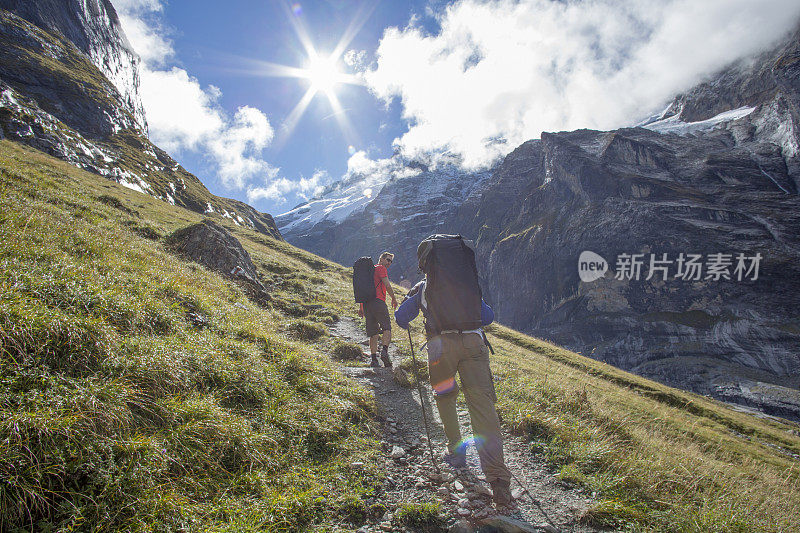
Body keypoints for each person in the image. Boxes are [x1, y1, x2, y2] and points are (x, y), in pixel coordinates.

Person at [394, 237, 514, 509]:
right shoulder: (466, 285)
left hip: (439, 347)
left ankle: (456, 452)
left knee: (446, 398)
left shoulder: (423, 288)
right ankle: (498, 481)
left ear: (426, 264)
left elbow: (402, 317)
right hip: (474, 344)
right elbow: (488, 317)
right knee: (482, 406)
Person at [358, 251, 398, 367]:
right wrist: (394, 299)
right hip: (378, 302)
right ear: (381, 259)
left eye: (391, 261)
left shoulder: (369, 271)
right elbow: (387, 285)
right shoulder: (381, 268)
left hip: (367, 304)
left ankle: (374, 359)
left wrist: (361, 308)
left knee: (373, 334)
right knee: (387, 328)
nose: (389, 263)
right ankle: (384, 351)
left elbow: (363, 290)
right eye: (388, 260)